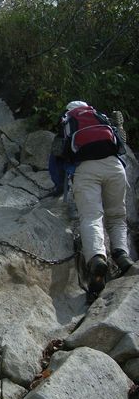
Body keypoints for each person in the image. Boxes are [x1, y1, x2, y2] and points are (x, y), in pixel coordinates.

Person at [49, 100, 134, 303]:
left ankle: (97, 258)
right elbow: (120, 145)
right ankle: (122, 255)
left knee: (91, 217)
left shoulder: (67, 124)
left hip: (85, 171)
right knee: (117, 216)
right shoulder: (101, 118)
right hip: (115, 168)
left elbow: (56, 161)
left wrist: (58, 186)